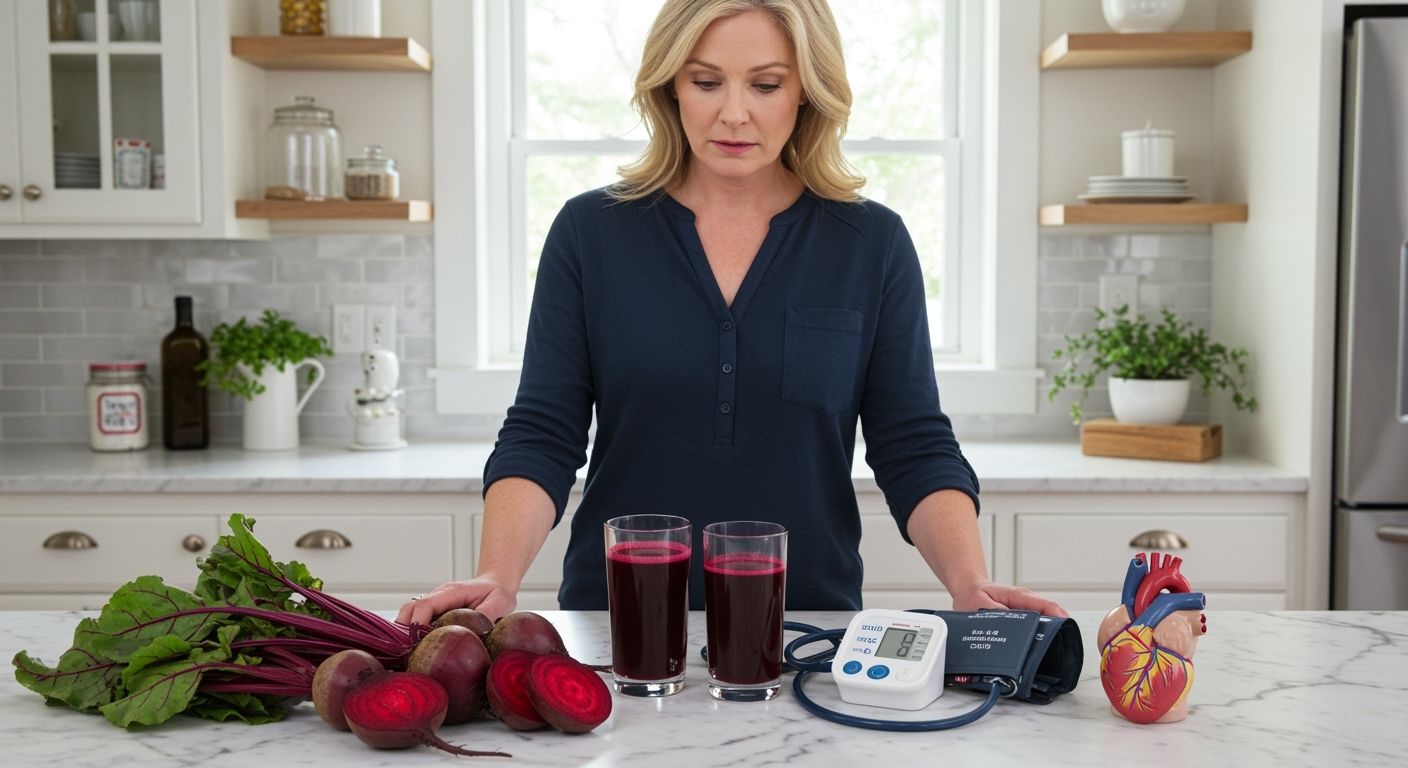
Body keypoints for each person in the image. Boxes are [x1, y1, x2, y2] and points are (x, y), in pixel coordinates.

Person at [399, 0, 1066, 627]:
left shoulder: (871, 243)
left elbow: (912, 442)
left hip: (806, 627)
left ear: (807, 89)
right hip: (617, 625)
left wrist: (968, 581)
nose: (734, 115)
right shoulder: (590, 232)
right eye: (707, 81)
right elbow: (544, 431)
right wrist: (499, 575)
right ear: (671, 88)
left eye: (766, 85)